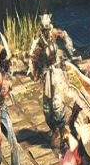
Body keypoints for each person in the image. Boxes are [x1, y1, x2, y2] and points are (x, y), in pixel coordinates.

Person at [29, 14, 75, 151]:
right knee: (47, 109)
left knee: (57, 105)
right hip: (46, 76)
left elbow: (65, 37)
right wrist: (34, 71)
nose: (46, 32)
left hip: (56, 74)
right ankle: (54, 131)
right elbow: (33, 60)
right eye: (44, 29)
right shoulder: (38, 43)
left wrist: (69, 52)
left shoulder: (55, 34)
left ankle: (62, 132)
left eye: (47, 29)